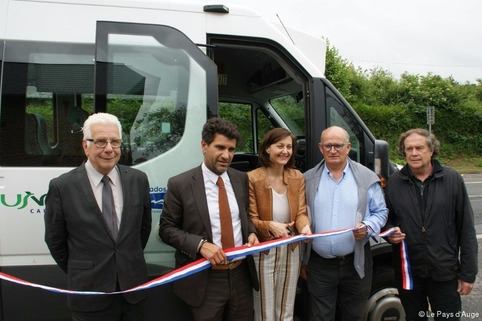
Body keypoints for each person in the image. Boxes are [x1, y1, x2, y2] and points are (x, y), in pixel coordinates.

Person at [44, 112, 152, 321]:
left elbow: (142, 231)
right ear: (85, 145)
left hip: (133, 294)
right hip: (89, 295)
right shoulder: (62, 186)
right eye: (101, 142)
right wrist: (85, 271)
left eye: (115, 141)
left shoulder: (138, 180)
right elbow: (55, 240)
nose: (109, 149)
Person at [159, 117, 259, 321]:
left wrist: (251, 233)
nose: (226, 155)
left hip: (241, 276)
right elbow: (166, 229)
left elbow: (244, 216)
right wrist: (200, 245)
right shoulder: (181, 184)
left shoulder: (241, 179)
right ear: (204, 146)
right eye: (220, 147)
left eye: (231, 149)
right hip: (205, 278)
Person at [384, 128, 478, 321]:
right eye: (408, 149)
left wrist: (468, 274)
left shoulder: (452, 179)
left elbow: (466, 228)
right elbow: (386, 219)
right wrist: (389, 232)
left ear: (431, 150)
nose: (413, 153)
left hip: (444, 272)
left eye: (419, 148)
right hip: (410, 273)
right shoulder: (394, 182)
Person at [301, 126, 388, 321]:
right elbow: (300, 215)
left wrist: (367, 227)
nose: (333, 150)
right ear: (320, 148)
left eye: (338, 145)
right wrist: (303, 260)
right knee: (320, 316)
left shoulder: (367, 178)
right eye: (328, 146)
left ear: (348, 147)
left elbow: (381, 212)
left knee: (354, 315)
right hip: (319, 264)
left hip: (355, 263)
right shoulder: (307, 179)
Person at [248, 128, 312, 321]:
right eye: (280, 146)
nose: (285, 151)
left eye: (289, 147)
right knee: (265, 309)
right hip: (264, 249)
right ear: (267, 148)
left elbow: (301, 213)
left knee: (286, 308)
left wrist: (305, 227)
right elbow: (251, 218)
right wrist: (269, 226)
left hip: (291, 248)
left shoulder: (297, 177)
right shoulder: (252, 178)